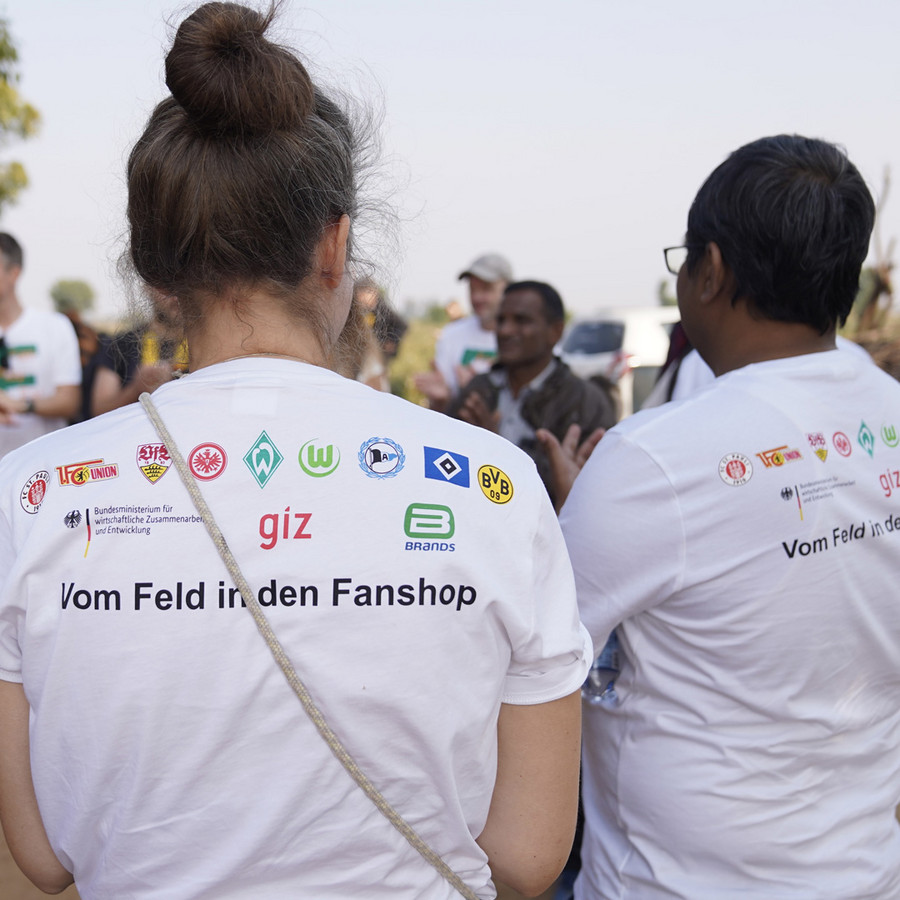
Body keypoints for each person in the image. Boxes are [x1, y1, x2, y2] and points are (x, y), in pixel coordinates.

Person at [0, 5, 589, 899]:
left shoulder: (31, 494)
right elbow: (526, 854)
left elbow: (43, 859)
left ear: (153, 270)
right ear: (336, 246)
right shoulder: (492, 483)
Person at [559, 135, 900, 900]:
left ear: (711, 270)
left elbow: (541, 649)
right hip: (869, 873)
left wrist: (583, 507)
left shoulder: (655, 459)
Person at [449, 281, 615, 509]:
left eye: (521, 320)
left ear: (555, 331)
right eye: (501, 320)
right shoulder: (479, 390)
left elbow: (586, 497)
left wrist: (497, 448)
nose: (505, 331)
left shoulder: (585, 401)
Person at [0, 233, 81, 455]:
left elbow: (69, 401)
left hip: (43, 468)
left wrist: (19, 405)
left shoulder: (54, 326)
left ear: (13, 273)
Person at [414, 252, 512, 411]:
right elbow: (441, 408)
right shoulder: (451, 334)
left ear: (508, 289)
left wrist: (474, 388)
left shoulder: (524, 340)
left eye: (487, 289)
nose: (477, 297)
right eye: (472, 289)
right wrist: (440, 401)